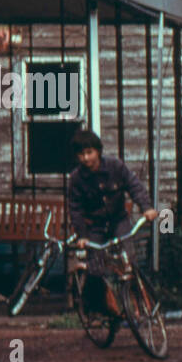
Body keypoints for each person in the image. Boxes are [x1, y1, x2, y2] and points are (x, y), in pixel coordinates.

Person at [66, 129, 158, 316]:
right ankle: (100, 310)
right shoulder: (76, 179)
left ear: (98, 151)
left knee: (129, 258)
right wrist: (82, 235)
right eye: (81, 154)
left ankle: (139, 298)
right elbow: (75, 209)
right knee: (95, 268)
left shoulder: (115, 167)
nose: (86, 158)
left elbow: (134, 186)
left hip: (118, 219)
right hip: (95, 226)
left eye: (89, 152)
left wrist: (146, 208)